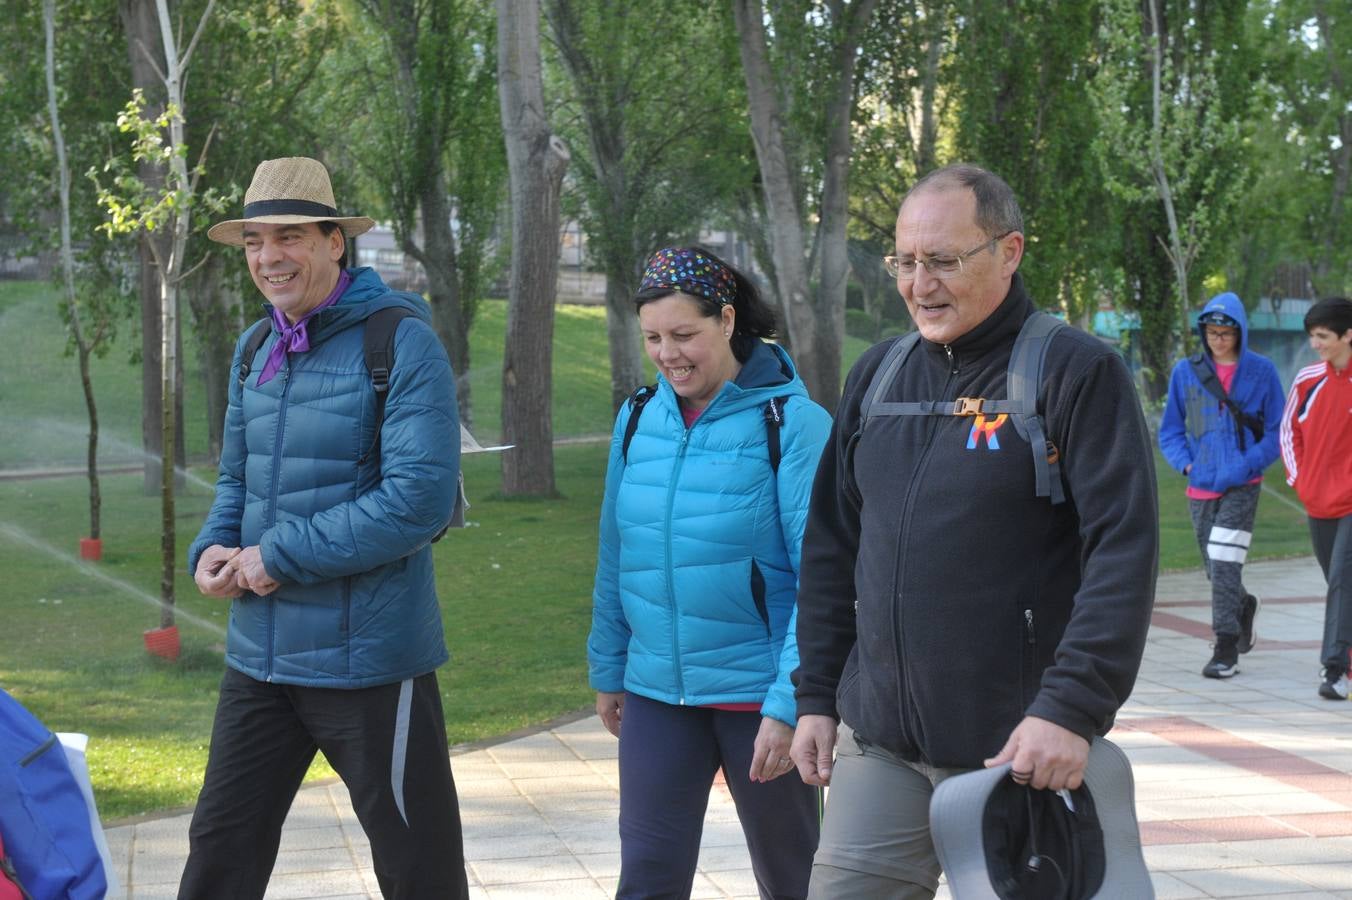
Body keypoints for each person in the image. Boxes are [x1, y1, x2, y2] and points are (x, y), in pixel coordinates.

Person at [789, 164, 1158, 899]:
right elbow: (833, 547)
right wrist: (818, 697)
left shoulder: (1077, 372)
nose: (920, 284)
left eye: (945, 261)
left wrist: (1069, 710)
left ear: (1010, 251)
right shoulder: (878, 376)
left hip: (1016, 751)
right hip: (881, 747)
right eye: (906, 261)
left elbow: (1122, 551)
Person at [181, 157, 467, 900]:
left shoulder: (401, 343)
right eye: (253, 242)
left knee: (419, 867)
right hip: (260, 660)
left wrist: (278, 554)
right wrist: (212, 548)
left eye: (289, 237)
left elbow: (417, 503)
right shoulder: (254, 349)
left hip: (369, 661)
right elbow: (237, 482)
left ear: (335, 241)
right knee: (218, 852)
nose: (268, 257)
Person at [588, 246, 832, 900]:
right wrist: (609, 668)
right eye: (653, 338)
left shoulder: (793, 425)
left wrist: (793, 701)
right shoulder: (638, 418)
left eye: (684, 335)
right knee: (646, 878)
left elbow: (825, 581)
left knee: (795, 879)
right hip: (656, 695)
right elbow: (618, 552)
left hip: (759, 698)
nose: (669, 354)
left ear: (727, 321)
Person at [1159, 293, 1285, 678]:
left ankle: (1225, 649)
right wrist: (1185, 465)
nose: (1218, 339)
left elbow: (1277, 431)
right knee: (1217, 568)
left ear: (1240, 332)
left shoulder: (1262, 372)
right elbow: (1171, 432)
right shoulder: (1186, 372)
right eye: (1211, 332)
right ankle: (1242, 605)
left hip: (1243, 484)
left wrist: (1246, 465)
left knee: (1225, 560)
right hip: (1200, 485)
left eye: (1226, 332)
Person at [1280, 297, 1352, 701]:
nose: (1316, 344)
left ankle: (1335, 671)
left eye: (1323, 336)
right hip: (1318, 499)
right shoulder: (1308, 379)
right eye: (1312, 336)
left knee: (1343, 578)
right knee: (1338, 582)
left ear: (1347, 335)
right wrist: (1300, 480)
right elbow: (1289, 431)